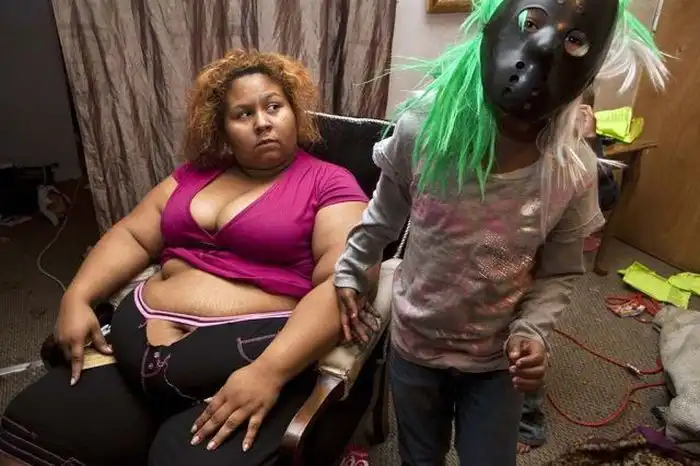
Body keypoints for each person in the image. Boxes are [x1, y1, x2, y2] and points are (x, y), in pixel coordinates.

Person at [333, 1, 668, 465]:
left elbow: (560, 271)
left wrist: (533, 332)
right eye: (532, 22)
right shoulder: (423, 129)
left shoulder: (571, 170)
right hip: (416, 345)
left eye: (575, 40)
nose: (546, 47)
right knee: (420, 456)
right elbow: (382, 217)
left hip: (495, 361)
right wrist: (351, 269)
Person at [0, 49, 371, 466]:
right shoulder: (194, 174)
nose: (262, 123)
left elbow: (343, 280)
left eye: (273, 107)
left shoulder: (329, 182)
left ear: (294, 113)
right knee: (30, 428)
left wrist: (270, 371)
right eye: (243, 114)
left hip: (250, 365)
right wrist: (77, 296)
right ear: (223, 128)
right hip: (130, 356)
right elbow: (133, 234)